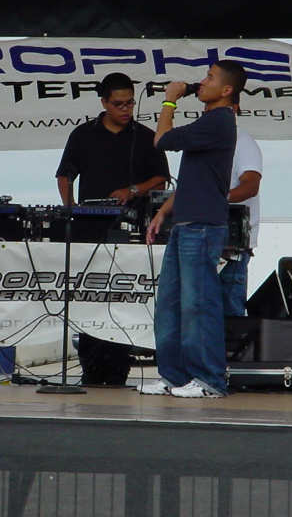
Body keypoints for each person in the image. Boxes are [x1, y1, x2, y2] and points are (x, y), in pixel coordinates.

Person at [142, 60, 245, 398]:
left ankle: (209, 380)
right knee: (170, 304)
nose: (202, 82)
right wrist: (163, 211)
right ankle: (173, 375)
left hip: (202, 225)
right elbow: (194, 179)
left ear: (226, 90)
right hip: (185, 222)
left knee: (198, 303)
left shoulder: (219, 120)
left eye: (210, 77)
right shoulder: (208, 122)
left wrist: (170, 99)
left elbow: (161, 140)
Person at [56, 72, 170, 205]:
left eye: (130, 103)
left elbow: (161, 181)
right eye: (118, 104)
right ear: (104, 102)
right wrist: (71, 208)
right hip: (91, 215)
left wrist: (133, 190)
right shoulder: (82, 134)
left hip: (137, 216)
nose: (125, 109)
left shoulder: (147, 137)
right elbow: (64, 176)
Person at [219, 95, 263, 317]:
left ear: (233, 108)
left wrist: (211, 199)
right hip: (203, 241)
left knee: (230, 318)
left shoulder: (242, 142)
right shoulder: (206, 141)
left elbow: (250, 186)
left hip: (231, 248)